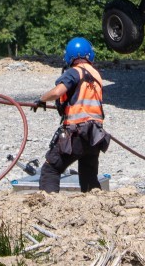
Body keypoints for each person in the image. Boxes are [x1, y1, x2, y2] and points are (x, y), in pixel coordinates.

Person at [32, 36, 110, 192]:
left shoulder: (74, 72)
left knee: (51, 169)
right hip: (95, 136)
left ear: (69, 56)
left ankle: (48, 205)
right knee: (89, 176)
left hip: (76, 134)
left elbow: (58, 92)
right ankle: (96, 206)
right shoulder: (96, 75)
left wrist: (41, 100)